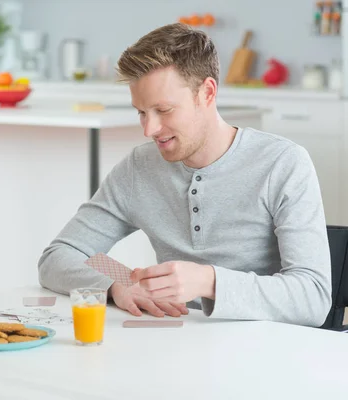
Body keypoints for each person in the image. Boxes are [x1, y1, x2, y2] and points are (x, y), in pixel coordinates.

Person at [38, 23, 332, 327]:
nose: (149, 129)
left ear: (207, 92)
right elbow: (61, 254)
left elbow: (313, 297)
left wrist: (209, 281)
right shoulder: (139, 167)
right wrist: (119, 281)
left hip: (264, 355)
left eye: (163, 110)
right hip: (171, 344)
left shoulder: (283, 163)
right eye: (141, 112)